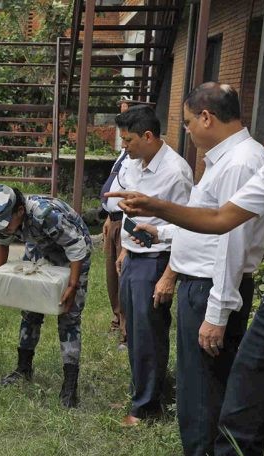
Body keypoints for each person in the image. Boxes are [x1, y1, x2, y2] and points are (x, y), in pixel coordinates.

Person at [108, 135, 264, 456]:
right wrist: (163, 227)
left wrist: (218, 310)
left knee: (202, 391)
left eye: (188, 122)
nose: (188, 132)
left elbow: (230, 239)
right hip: (205, 284)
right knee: (202, 388)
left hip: (209, 286)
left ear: (207, 118)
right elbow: (213, 220)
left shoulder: (239, 162)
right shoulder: (231, 161)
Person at [113, 105, 193, 426]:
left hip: (157, 260)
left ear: (148, 136)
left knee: (150, 334)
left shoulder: (176, 172)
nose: (124, 146)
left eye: (128, 140)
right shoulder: (135, 162)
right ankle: (140, 393)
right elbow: (132, 210)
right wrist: (124, 249)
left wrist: (169, 275)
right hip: (133, 255)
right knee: (133, 331)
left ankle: (147, 407)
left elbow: (189, 226)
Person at [0, 184, 92, 408]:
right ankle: (23, 369)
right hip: (40, 248)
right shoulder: (2, 214)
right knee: (30, 309)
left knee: (68, 316)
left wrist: (72, 285)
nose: (3, 229)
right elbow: (2, 244)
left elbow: (76, 246)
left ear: (20, 211)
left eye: (6, 223)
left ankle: (70, 386)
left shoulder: (45, 215)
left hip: (72, 253)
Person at [99, 99, 132, 347]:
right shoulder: (124, 152)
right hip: (112, 221)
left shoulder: (138, 154)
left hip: (126, 222)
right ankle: (116, 318)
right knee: (112, 275)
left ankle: (126, 332)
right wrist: (107, 218)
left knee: (124, 276)